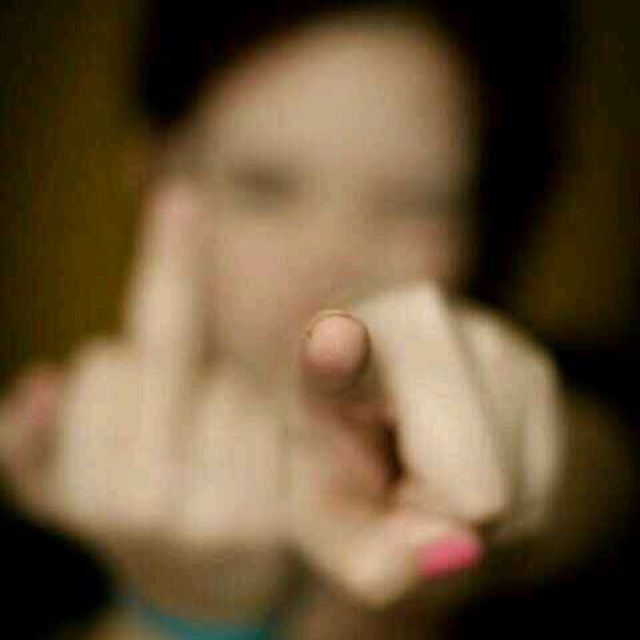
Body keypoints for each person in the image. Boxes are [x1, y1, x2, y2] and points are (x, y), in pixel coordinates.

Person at [0, 1, 633, 638]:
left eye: (414, 202)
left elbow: (581, 466)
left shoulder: (589, 412)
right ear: (153, 174)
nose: (330, 261)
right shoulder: (44, 508)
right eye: (264, 187)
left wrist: (508, 485)